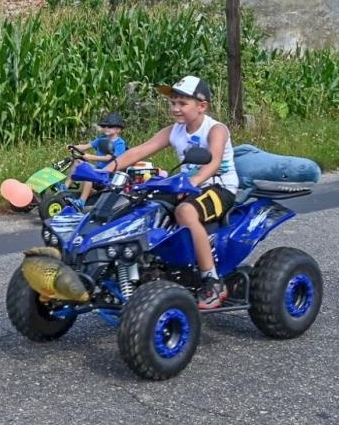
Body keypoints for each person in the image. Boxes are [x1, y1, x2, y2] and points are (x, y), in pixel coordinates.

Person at [108, 75, 238, 310]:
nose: (176, 109)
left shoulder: (216, 129)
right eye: (173, 103)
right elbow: (137, 152)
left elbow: (214, 162)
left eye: (182, 103)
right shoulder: (174, 130)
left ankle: (212, 279)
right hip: (187, 186)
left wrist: (193, 182)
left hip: (219, 187)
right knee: (140, 204)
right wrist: (102, 172)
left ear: (202, 106)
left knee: (186, 212)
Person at [75, 113, 129, 202]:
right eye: (105, 126)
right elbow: (86, 146)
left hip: (109, 173)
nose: (106, 128)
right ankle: (65, 187)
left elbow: (109, 158)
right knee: (77, 162)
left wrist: (91, 157)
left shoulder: (120, 144)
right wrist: (73, 147)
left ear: (118, 129)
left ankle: (81, 201)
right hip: (99, 169)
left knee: (88, 173)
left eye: (110, 126)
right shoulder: (101, 139)